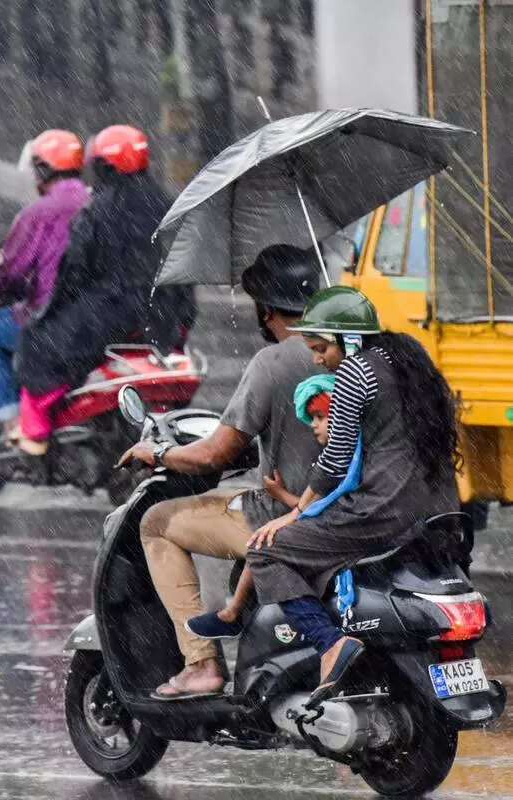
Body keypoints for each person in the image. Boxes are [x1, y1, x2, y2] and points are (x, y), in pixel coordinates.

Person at [117, 245, 321, 699]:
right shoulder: (351, 353)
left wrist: (161, 453)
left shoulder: (273, 362)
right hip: (345, 514)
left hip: (282, 516)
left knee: (155, 523)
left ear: (266, 308)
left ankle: (201, 663)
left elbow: (215, 455)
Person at [245, 286, 461, 708]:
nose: (316, 359)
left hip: (380, 511)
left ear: (349, 339)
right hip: (431, 509)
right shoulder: (405, 359)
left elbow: (335, 459)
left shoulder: (354, 373)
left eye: (321, 347)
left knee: (265, 550)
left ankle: (329, 644)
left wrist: (295, 513)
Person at [16, 124, 181, 455]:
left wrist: (54, 304)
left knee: (37, 343)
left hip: (113, 308)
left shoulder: (99, 209)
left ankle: (36, 433)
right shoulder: (167, 203)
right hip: (164, 309)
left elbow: (75, 268)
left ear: (103, 166)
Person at [0, 129, 88, 444]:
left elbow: (11, 272)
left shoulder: (38, 213)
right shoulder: (97, 203)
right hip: (93, 317)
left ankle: (12, 422)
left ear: (42, 170)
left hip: (50, 320)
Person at [186, 373, 338, 639]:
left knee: (265, 544)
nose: (313, 425)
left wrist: (284, 501)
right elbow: (321, 506)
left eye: (320, 417)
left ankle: (325, 637)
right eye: (312, 417)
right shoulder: (335, 454)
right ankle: (233, 613)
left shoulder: (339, 458)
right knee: (266, 535)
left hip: (343, 529)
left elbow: (324, 509)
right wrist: (285, 499)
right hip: (334, 521)